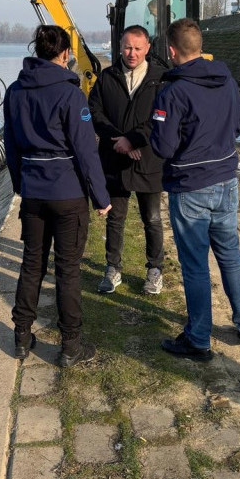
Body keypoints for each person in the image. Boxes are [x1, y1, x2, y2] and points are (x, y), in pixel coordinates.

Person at [3, 25, 112, 367]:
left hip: (34, 194)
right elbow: (85, 152)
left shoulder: (14, 91)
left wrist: (21, 184)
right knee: (68, 270)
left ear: (37, 51)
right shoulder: (71, 94)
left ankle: (21, 337)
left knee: (32, 264)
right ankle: (70, 346)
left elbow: (11, 148)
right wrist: (101, 196)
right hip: (67, 195)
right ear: (65, 54)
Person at [149, 18, 240, 362]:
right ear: (199, 47)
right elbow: (237, 126)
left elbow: (164, 147)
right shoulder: (226, 80)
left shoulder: (172, 92)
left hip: (190, 186)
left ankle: (198, 338)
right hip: (226, 181)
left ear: (171, 51)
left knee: (195, 265)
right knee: (230, 255)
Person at [87, 25, 166, 295]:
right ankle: (112, 269)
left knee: (152, 218)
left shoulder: (161, 78)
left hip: (148, 160)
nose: (131, 53)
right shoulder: (107, 77)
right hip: (114, 159)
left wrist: (134, 139)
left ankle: (155, 269)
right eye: (127, 47)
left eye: (137, 48)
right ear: (120, 47)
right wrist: (119, 140)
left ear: (147, 49)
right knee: (115, 217)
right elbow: (94, 112)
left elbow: (161, 118)